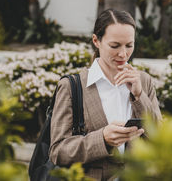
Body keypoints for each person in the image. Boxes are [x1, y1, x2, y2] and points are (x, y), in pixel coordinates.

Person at [49, 9, 162, 180]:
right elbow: (58, 152)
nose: (123, 54)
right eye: (115, 46)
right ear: (96, 40)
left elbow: (160, 138)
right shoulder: (72, 86)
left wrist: (139, 96)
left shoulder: (143, 81)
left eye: (129, 45)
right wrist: (102, 139)